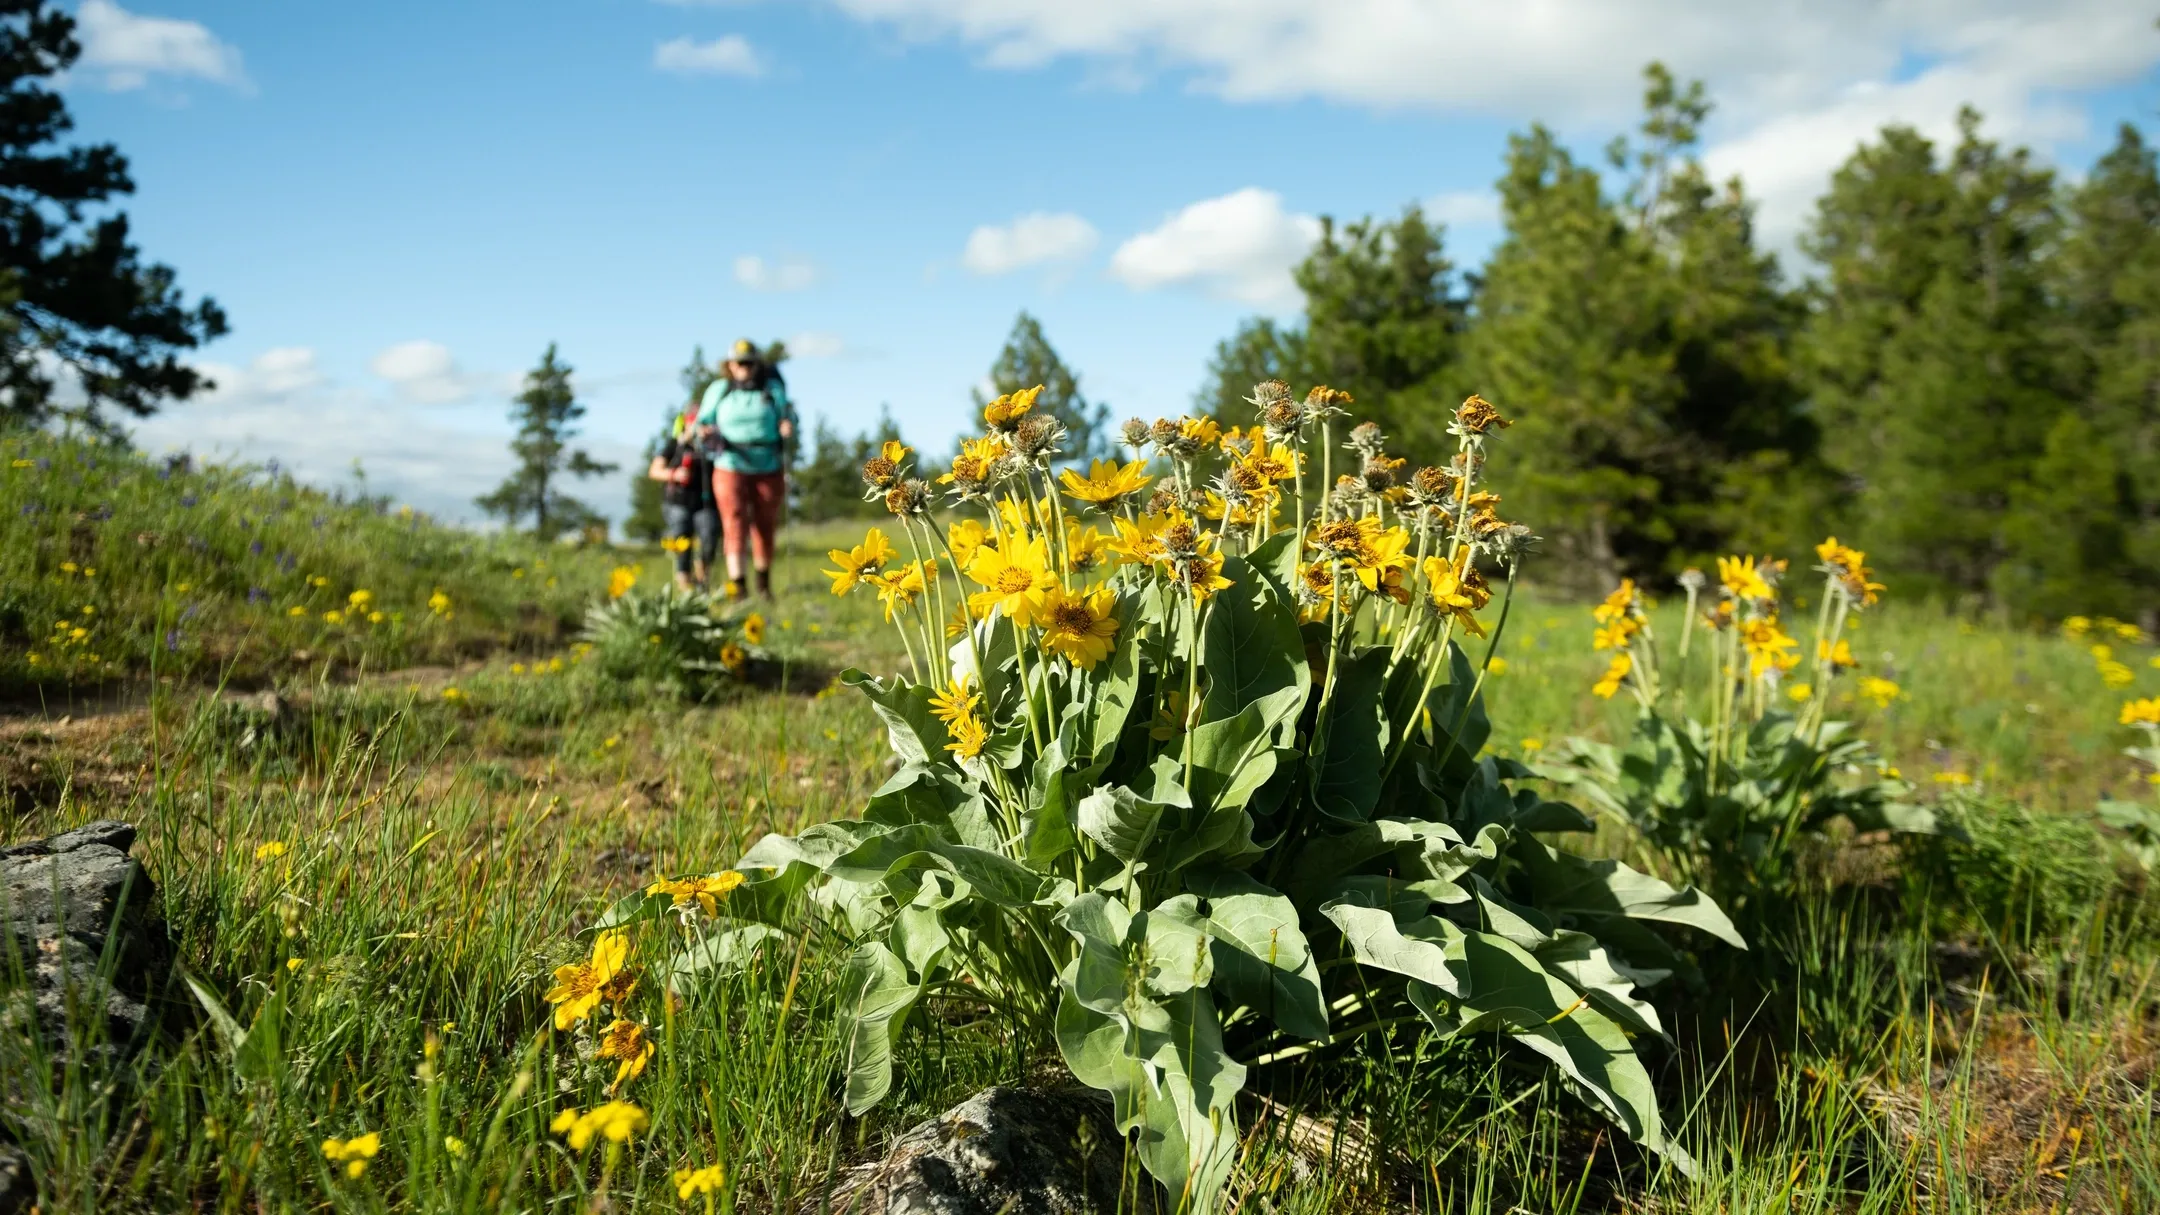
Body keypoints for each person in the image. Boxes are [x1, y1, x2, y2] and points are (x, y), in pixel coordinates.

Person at [696, 339, 796, 599]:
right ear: (730, 365)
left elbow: (788, 415)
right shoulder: (720, 390)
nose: (744, 368)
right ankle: (738, 587)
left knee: (765, 524)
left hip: (768, 463)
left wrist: (787, 426)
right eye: (739, 363)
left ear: (757, 365)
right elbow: (702, 420)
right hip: (730, 463)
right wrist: (703, 431)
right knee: (734, 521)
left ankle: (763, 584)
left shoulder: (772, 389)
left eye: (749, 363)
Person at [648, 401, 718, 591]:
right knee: (682, 540)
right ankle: (684, 586)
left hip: (705, 503)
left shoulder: (713, 447)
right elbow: (654, 470)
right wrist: (674, 474)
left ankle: (703, 583)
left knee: (709, 537)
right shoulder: (674, 445)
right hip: (678, 502)